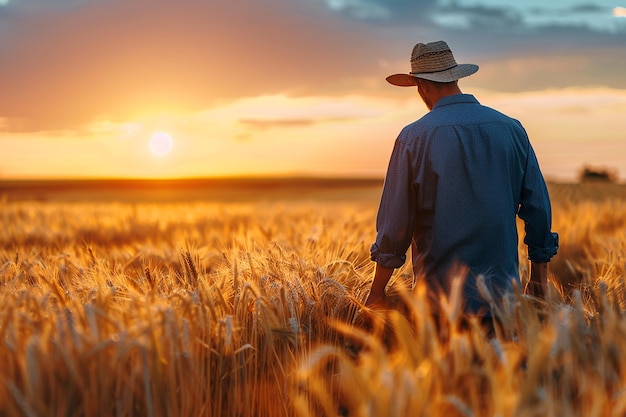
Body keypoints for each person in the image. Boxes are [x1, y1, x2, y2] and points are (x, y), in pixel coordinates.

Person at [365, 40, 558, 324]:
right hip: (503, 299)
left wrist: (377, 290)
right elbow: (537, 209)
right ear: (455, 77)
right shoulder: (511, 129)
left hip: (438, 303)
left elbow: (395, 224)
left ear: (421, 86)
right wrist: (539, 280)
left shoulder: (412, 138)